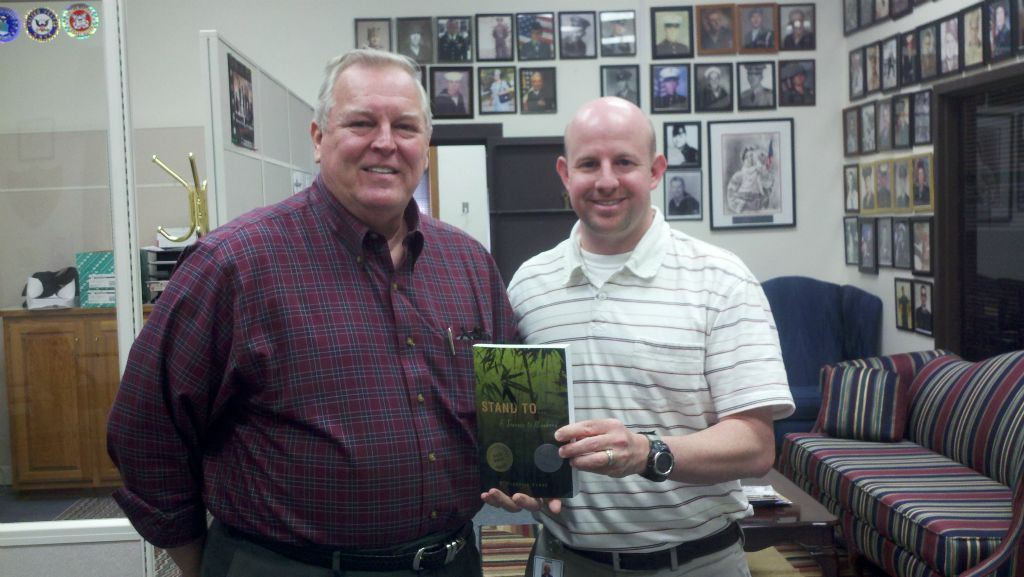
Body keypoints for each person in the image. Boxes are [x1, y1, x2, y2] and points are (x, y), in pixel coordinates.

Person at [107, 49, 517, 577]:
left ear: (426, 145)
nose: (386, 142)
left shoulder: (467, 263)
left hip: (450, 561)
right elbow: (146, 428)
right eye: (361, 123)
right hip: (287, 565)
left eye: (406, 127)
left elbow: (508, 396)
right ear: (319, 137)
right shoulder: (234, 264)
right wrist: (196, 559)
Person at [484, 96, 793, 577]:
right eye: (589, 164)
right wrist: (514, 474)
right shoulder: (529, 284)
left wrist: (648, 452)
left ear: (655, 170)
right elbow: (516, 415)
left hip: (694, 563)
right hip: (563, 561)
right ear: (566, 174)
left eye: (624, 162)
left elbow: (756, 447)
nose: (606, 180)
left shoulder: (722, 279)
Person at [726, 143, 775, 213]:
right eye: (748, 156)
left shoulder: (759, 174)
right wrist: (740, 205)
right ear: (744, 159)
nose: (751, 158)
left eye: (752, 156)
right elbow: (730, 195)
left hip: (758, 208)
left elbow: (768, 187)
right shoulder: (739, 175)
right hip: (744, 209)